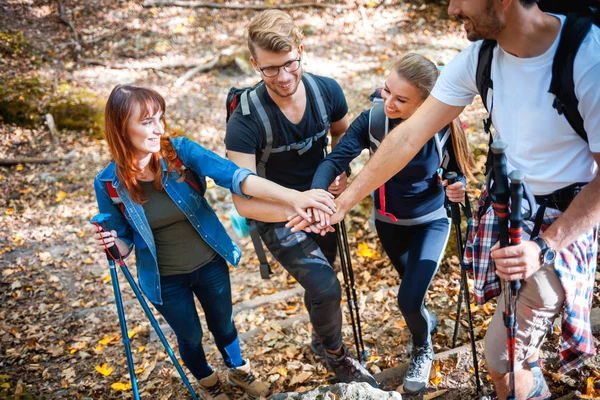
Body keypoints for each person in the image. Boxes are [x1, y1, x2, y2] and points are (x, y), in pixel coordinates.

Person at [288, 1, 600, 399]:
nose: (451, 8)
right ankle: (529, 375)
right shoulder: (480, 58)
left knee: (500, 358)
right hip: (507, 212)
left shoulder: (587, 60)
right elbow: (405, 137)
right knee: (514, 339)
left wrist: (545, 247)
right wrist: (342, 204)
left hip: (562, 229)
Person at [92, 84, 337, 400]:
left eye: (160, 119)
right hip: (164, 278)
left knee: (224, 324)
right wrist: (112, 243)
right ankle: (208, 382)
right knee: (190, 336)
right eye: (147, 121)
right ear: (121, 127)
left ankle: (239, 370)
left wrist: (295, 198)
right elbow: (123, 244)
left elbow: (235, 175)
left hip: (209, 262)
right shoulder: (108, 183)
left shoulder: (179, 152)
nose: (159, 129)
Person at [224, 10, 377, 387]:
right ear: (255, 64)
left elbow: (344, 135)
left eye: (290, 63)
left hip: (322, 206)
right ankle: (337, 356)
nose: (284, 77)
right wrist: (297, 202)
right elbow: (242, 201)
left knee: (322, 284)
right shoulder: (245, 121)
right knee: (326, 286)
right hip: (278, 214)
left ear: (301, 51)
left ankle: (320, 341)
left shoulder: (326, 91)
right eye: (270, 69)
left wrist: (338, 171)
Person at [308, 53, 474, 393]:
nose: (389, 103)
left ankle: (423, 349)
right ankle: (424, 325)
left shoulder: (441, 126)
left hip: (431, 222)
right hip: (388, 223)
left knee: (409, 299)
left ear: (426, 103)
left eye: (401, 99)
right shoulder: (373, 121)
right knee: (412, 294)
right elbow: (334, 160)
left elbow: (456, 170)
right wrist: (318, 195)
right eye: (387, 92)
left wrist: (458, 186)